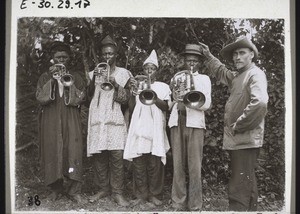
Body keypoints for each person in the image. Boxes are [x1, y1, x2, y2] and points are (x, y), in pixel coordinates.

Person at [199, 37, 268, 211]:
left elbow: (260, 102)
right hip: (240, 141)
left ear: (251, 55)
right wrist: (208, 56)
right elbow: (222, 72)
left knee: (238, 187)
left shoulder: (255, 74)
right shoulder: (238, 76)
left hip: (246, 140)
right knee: (247, 182)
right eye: (235, 54)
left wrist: (240, 125)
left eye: (242, 53)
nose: (237, 57)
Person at [36, 41, 87, 203]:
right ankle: (54, 189)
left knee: (73, 150)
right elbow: (40, 97)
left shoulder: (76, 76)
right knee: (53, 150)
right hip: (51, 118)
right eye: (58, 57)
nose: (61, 60)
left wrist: (68, 84)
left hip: (71, 117)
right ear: (53, 58)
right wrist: (52, 79)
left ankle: (74, 190)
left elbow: (81, 97)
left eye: (64, 57)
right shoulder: (45, 76)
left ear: (69, 58)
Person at [86, 35, 131, 207]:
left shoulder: (124, 74)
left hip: (115, 119)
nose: (107, 57)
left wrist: (117, 84)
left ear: (116, 55)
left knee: (116, 156)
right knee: (100, 155)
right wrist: (92, 80)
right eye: (104, 54)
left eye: (110, 54)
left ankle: (118, 193)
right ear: (101, 55)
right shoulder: (93, 72)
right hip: (98, 118)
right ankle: (103, 189)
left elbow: (127, 100)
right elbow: (88, 97)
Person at [123, 50, 171, 206]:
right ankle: (140, 195)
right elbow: (131, 107)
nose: (149, 71)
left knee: (154, 164)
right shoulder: (138, 86)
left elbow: (165, 107)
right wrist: (132, 93)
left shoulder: (163, 86)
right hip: (139, 129)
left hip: (155, 130)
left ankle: (153, 194)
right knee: (139, 164)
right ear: (143, 70)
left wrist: (152, 93)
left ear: (157, 71)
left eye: (152, 69)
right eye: (146, 69)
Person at [168, 44, 212, 211]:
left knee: (194, 167)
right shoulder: (176, 77)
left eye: (194, 60)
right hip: (176, 122)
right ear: (184, 61)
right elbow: (171, 101)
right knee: (178, 165)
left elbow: (207, 103)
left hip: (194, 123)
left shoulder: (204, 79)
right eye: (188, 60)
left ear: (199, 62)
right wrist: (176, 97)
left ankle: (194, 205)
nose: (191, 63)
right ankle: (178, 202)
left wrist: (192, 90)